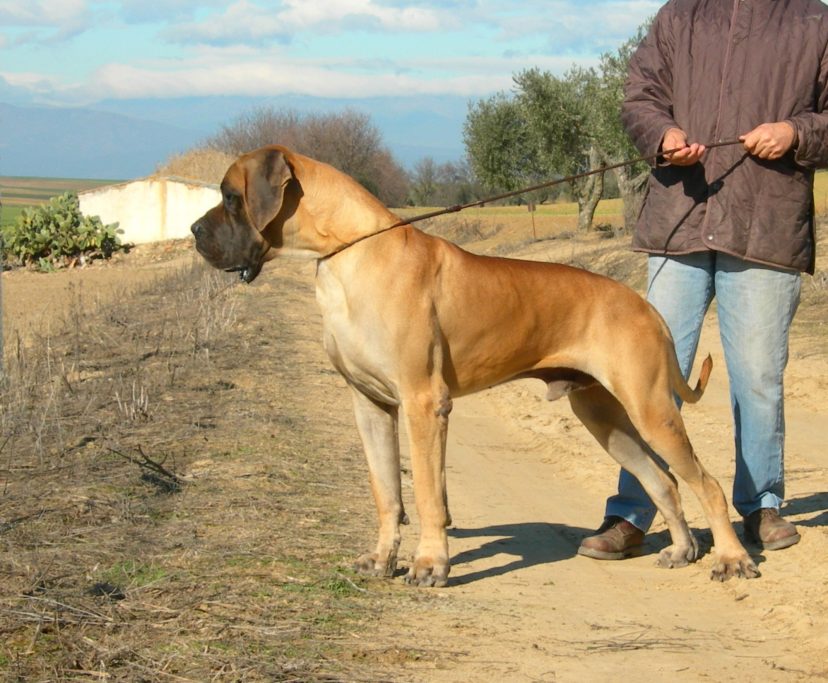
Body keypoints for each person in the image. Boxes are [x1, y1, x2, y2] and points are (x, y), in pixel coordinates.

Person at [578, 0, 828, 560]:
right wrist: (663, 134)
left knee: (759, 377)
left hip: (765, 226)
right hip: (678, 222)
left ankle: (762, 505)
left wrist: (796, 132)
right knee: (647, 380)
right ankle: (635, 512)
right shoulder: (679, 15)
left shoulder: (814, 20)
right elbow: (639, 95)